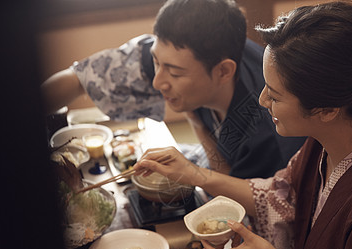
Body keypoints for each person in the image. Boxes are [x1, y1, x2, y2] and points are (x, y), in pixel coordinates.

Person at [134, 1, 352, 249]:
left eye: (275, 96)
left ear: (326, 108)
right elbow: (281, 194)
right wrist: (194, 173)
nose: (262, 100)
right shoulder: (334, 133)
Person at [41, 0, 306, 179]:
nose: (158, 81)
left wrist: (196, 127)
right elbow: (78, 78)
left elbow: (232, 197)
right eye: (156, 61)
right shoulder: (175, 53)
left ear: (223, 71)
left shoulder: (263, 127)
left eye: (175, 73)